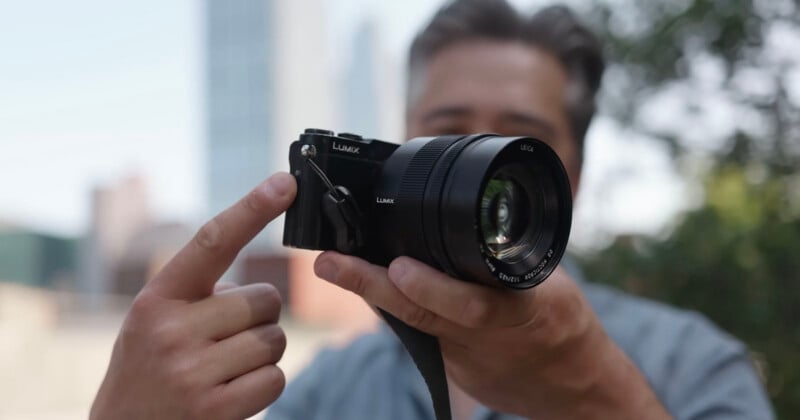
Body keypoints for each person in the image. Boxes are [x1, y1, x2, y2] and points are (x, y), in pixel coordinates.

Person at [90, 1, 774, 419]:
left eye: (517, 142)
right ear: (402, 147)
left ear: (574, 174)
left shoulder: (692, 362)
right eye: (451, 136)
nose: (479, 172)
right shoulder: (333, 390)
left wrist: (595, 397)